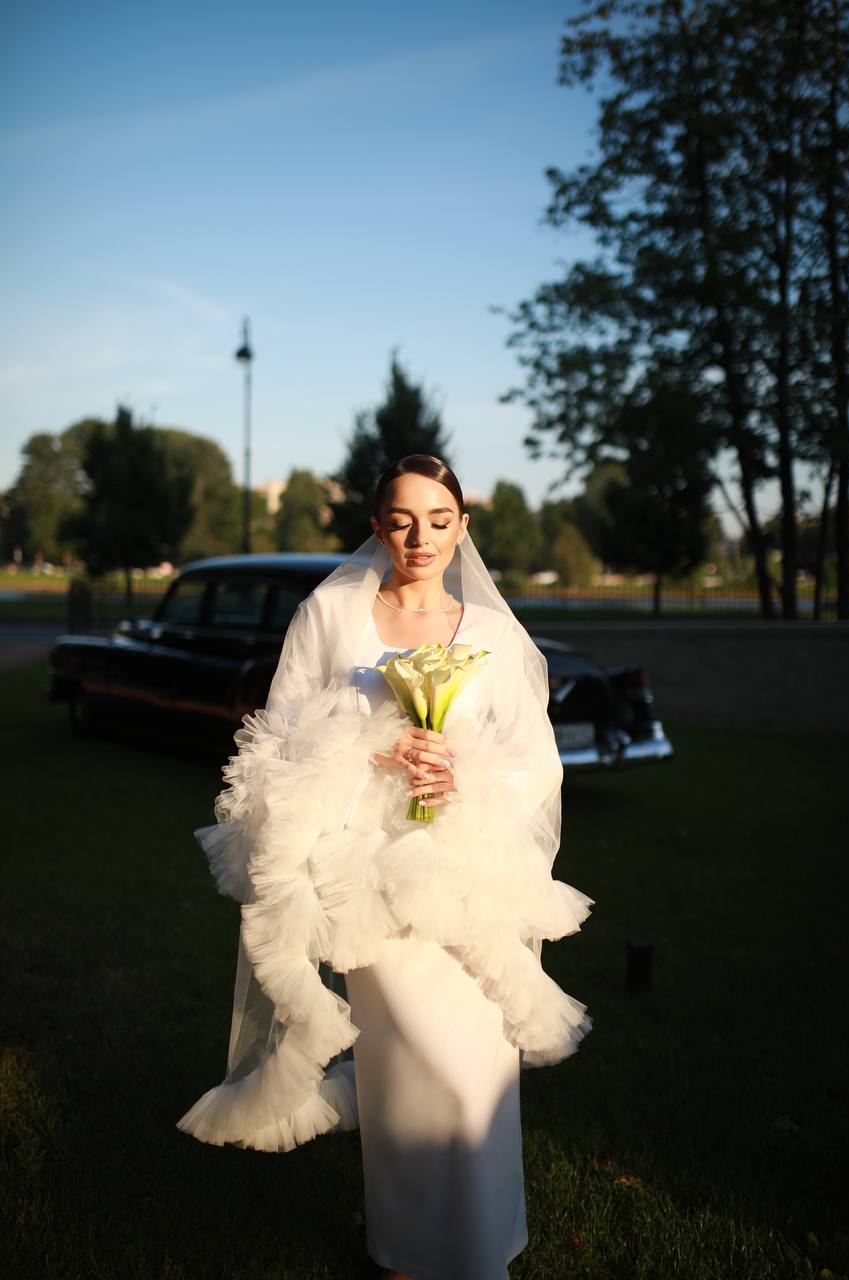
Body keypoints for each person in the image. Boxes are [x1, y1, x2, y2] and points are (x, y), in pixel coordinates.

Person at [176, 454, 595, 1280]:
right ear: (376, 528)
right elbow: (277, 738)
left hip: (468, 873)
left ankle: (483, 1247)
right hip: (365, 877)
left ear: (462, 527)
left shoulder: (492, 634)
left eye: (438, 520)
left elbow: (536, 760)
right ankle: (403, 1252)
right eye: (401, 520)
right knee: (405, 1068)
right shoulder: (331, 615)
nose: (419, 537)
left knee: (475, 1075)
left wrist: (461, 774)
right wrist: (373, 745)